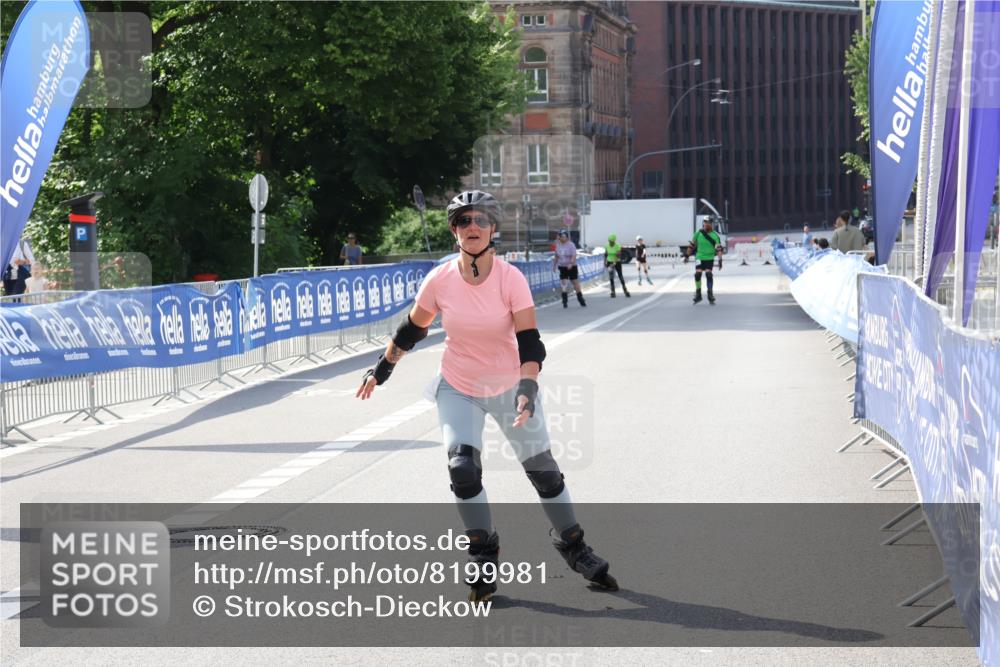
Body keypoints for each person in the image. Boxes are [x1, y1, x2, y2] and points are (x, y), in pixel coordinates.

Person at [356, 190, 617, 602]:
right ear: (453, 230)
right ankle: (482, 549)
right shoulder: (439, 280)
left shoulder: (510, 279)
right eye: (463, 221)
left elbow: (529, 343)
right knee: (462, 466)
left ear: (494, 229)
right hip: (458, 386)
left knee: (544, 471)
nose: (472, 227)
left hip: (512, 385)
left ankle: (573, 544)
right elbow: (411, 330)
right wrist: (381, 369)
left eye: (480, 220)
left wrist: (528, 389)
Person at [688, 218, 723, 305]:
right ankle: (698, 294)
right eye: (706, 223)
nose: (707, 224)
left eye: (709, 223)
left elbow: (719, 249)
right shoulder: (698, 233)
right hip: (699, 257)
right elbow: (691, 245)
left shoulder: (715, 236)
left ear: (712, 224)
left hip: (709, 258)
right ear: (703, 224)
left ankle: (710, 294)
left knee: (708, 274)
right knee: (697, 274)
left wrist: (720, 260)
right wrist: (686, 256)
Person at [553, 229, 586, 308]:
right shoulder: (558, 245)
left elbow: (574, 255)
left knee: (575, 282)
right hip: (562, 266)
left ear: (567, 237)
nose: (563, 238)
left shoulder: (571, 245)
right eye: (561, 237)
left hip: (571, 266)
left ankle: (580, 298)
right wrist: (554, 265)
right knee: (564, 283)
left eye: (564, 237)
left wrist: (571, 263)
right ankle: (564, 300)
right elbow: (556, 256)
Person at [604, 233, 630, 298]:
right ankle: (613, 292)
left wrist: (614, 263)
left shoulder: (617, 246)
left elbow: (618, 256)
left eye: (611, 241)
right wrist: (605, 261)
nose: (610, 243)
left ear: (614, 241)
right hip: (609, 261)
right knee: (611, 277)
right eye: (609, 241)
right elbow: (606, 254)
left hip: (617, 262)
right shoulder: (606, 246)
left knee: (620, 275)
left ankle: (625, 290)